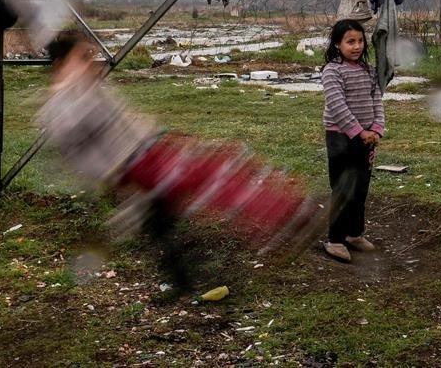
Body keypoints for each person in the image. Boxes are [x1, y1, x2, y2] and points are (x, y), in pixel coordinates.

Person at [39, 31, 318, 285]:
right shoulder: (62, 104)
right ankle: (289, 213)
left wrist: (163, 137)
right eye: (83, 57)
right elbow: (76, 143)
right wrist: (116, 178)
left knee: (168, 217)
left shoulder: (90, 89)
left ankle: (181, 277)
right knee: (215, 175)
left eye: (91, 56)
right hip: (137, 165)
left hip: (148, 153)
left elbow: (122, 123)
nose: (91, 63)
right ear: (62, 64)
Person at [321, 19, 386, 262]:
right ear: (338, 44)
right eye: (350, 41)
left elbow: (377, 100)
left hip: (367, 137)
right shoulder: (332, 71)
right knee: (342, 189)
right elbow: (338, 106)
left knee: (360, 189)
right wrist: (359, 132)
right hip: (341, 138)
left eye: (360, 41)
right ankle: (335, 239)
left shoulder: (369, 70)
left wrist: (377, 129)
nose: (357, 46)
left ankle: (354, 234)